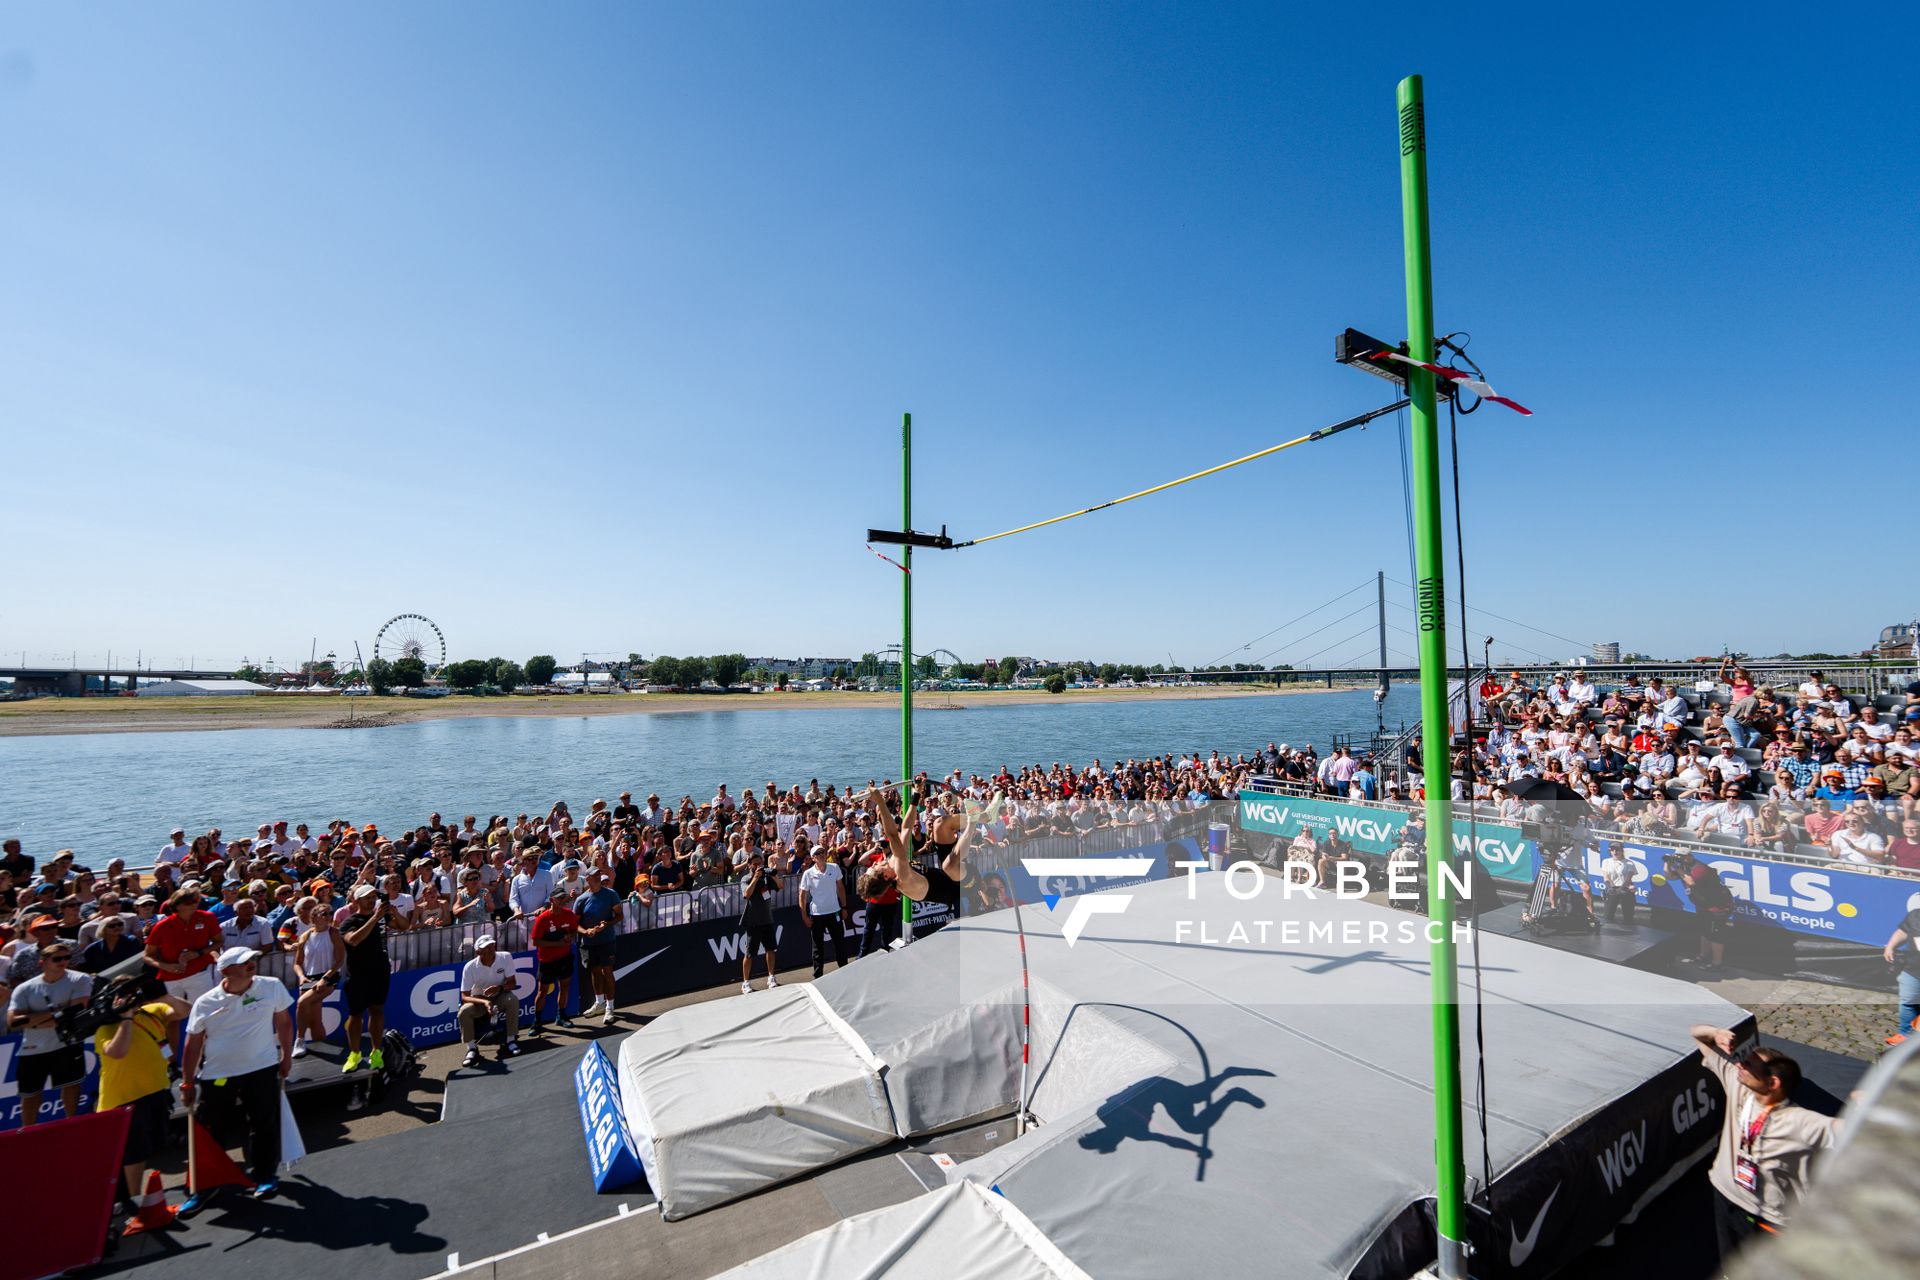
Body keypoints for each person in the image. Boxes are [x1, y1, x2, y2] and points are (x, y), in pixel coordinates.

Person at [1688, 1025, 1840, 1260]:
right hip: (1725, 1194)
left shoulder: (1798, 1121)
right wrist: (1716, 1033)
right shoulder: (1738, 1087)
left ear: (1773, 1083)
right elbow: (1697, 1035)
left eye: (1749, 1065)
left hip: (1768, 1216)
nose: (1740, 1065)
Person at [180, 948, 294, 1211]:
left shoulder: (271, 986)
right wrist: (187, 1082)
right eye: (243, 962)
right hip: (218, 1076)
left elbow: (284, 1023)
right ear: (226, 971)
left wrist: (286, 1056)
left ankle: (265, 1176)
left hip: (262, 1069)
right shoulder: (206, 1002)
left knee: (264, 1124)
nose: (251, 964)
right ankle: (206, 1186)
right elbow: (193, 1044)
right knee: (212, 1131)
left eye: (252, 960)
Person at [95, 987, 190, 1203]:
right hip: (124, 1099)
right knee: (133, 1154)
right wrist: (126, 1018)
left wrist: (165, 996)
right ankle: (133, 1201)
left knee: (148, 1148)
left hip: (155, 1091)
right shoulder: (105, 1028)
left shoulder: (152, 1011)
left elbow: (185, 1011)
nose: (129, 1000)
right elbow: (118, 1052)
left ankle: (131, 1200)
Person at [6, 940, 92, 1127]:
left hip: (67, 1043)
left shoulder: (80, 979)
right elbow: (13, 1022)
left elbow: (75, 1013)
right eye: (57, 959)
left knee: (71, 1085)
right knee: (30, 1094)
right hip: (32, 1048)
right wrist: (56, 1014)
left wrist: (33, 1021)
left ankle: (71, 1125)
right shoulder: (25, 988)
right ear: (42, 962)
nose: (63, 961)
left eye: (67, 957)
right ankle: (28, 1132)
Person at [338, 884, 393, 1073]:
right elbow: (353, 940)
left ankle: (376, 1052)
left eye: (373, 897)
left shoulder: (381, 916)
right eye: (367, 898)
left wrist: (392, 912)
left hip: (380, 972)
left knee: (377, 1010)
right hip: (357, 975)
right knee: (356, 1015)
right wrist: (375, 918)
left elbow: (404, 926)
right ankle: (354, 1053)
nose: (371, 900)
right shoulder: (349, 922)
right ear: (357, 901)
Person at [143, 887, 223, 1002]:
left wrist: (198, 953)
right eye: (188, 902)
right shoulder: (162, 926)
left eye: (196, 901)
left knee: (203, 1008)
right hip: (171, 978)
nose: (194, 904)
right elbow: (147, 956)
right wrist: (166, 966)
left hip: (201, 972)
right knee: (176, 1012)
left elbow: (219, 941)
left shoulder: (207, 918)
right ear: (177, 905)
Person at [457, 935, 522, 1068]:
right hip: (479, 1001)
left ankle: (510, 1040)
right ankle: (471, 1048)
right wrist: (484, 1002)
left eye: (492, 945)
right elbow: (464, 996)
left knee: (512, 1000)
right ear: (478, 952)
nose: (491, 949)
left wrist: (499, 988)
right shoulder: (470, 967)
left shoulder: (505, 957)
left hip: (500, 995)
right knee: (464, 1011)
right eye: (486, 947)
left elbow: (512, 983)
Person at [289, 897, 342, 1059]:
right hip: (309, 978)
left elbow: (339, 960)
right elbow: (297, 963)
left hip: (328, 977)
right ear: (314, 917)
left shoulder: (334, 933)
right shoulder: (305, 936)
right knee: (315, 1021)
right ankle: (322, 1050)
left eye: (330, 913)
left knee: (302, 1002)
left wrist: (325, 979)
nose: (329, 916)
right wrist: (301, 977)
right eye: (324, 914)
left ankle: (299, 1040)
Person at [573, 867, 621, 1026]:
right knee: (595, 971)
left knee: (607, 971)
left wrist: (606, 924)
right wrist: (585, 932)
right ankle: (599, 1002)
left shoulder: (611, 894)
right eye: (594, 875)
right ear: (587, 879)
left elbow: (619, 916)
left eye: (599, 874)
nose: (598, 877)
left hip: (607, 940)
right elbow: (575, 924)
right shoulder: (581, 899)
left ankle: (610, 1007)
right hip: (589, 943)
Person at [530, 888, 579, 1030]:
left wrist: (570, 936)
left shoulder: (569, 914)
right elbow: (536, 941)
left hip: (565, 958)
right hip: (547, 960)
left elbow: (574, 930)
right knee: (542, 991)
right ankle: (537, 1022)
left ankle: (561, 1017)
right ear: (552, 900)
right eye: (559, 898)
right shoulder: (543, 918)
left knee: (564, 987)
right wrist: (557, 943)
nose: (562, 901)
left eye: (564, 897)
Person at [797, 844, 847, 979]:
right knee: (817, 948)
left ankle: (845, 972)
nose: (821, 855)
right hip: (817, 915)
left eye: (823, 852)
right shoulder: (808, 873)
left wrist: (844, 907)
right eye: (818, 853)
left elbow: (841, 888)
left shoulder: (834, 868)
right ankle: (818, 977)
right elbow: (802, 895)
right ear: (813, 858)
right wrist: (804, 916)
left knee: (839, 944)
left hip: (834, 912)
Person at [738, 852, 781, 993]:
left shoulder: (766, 878)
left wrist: (774, 875)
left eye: (759, 863)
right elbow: (747, 894)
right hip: (753, 922)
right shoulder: (746, 878)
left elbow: (781, 886)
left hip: (767, 919)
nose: (758, 866)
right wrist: (755, 878)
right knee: (749, 954)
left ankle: (771, 977)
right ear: (749, 865)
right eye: (755, 864)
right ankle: (745, 983)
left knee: (770, 949)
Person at [1882, 905, 1920, 1047]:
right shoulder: (1915, 915)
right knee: (1908, 1001)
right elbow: (1902, 932)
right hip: (1913, 971)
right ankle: (1905, 1035)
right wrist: (1890, 947)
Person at [1598, 845, 1637, 924]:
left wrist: (1620, 889)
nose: (1615, 852)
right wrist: (1610, 888)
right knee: (1608, 915)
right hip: (1612, 888)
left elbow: (1628, 880)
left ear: (1622, 851)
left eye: (1617, 850)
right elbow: (1606, 877)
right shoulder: (1606, 861)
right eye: (1612, 850)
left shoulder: (1629, 863)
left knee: (1628, 917)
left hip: (1625, 888)